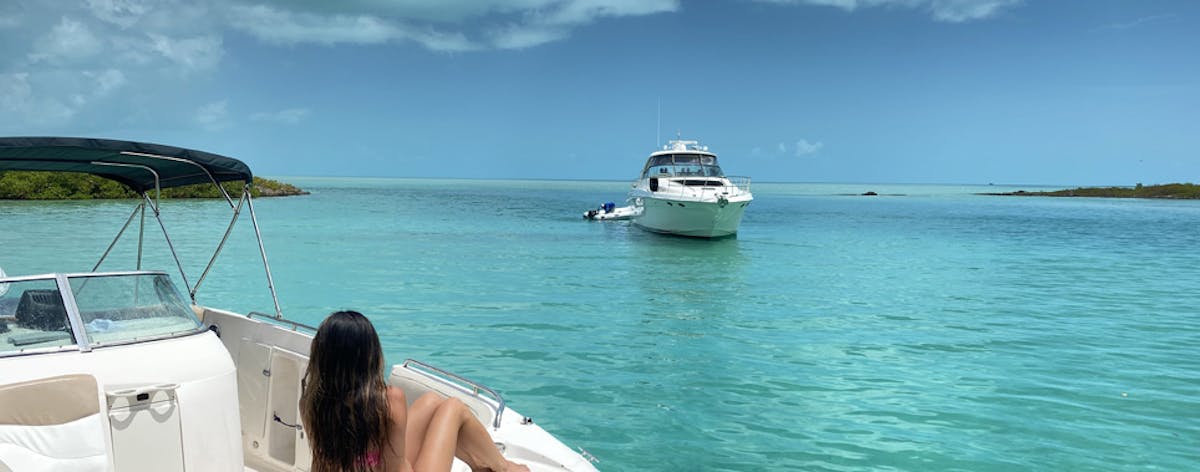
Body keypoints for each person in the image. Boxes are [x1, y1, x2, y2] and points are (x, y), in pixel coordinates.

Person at [300, 310, 529, 472]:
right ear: (369, 356)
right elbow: (396, 469)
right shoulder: (388, 400)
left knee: (430, 401)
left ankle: (484, 466)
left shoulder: (311, 403)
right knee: (454, 408)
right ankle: (504, 468)